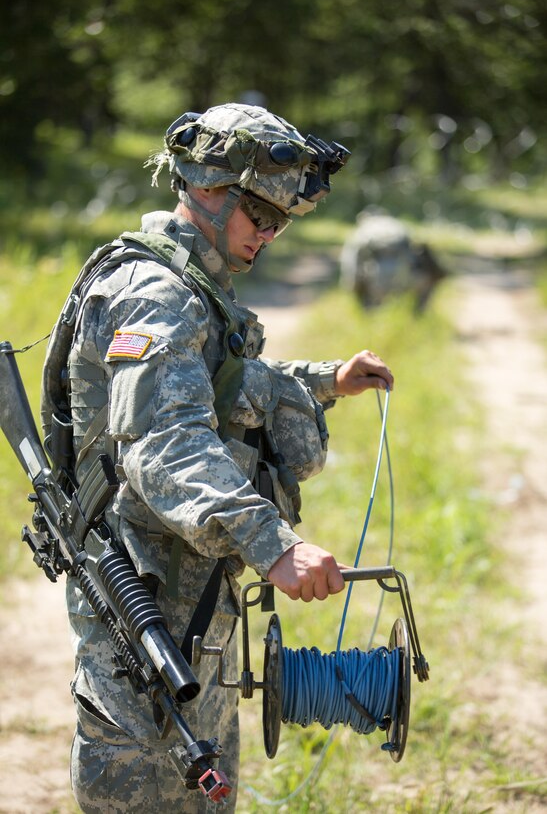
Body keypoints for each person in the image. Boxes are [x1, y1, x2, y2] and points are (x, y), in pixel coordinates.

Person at [41, 103, 394, 812]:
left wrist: (328, 381)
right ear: (209, 190)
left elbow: (221, 388)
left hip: (189, 593)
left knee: (202, 789)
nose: (270, 234)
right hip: (141, 601)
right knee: (146, 787)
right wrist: (274, 545)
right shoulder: (156, 298)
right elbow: (165, 442)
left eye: (280, 222)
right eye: (260, 215)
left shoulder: (194, 289)